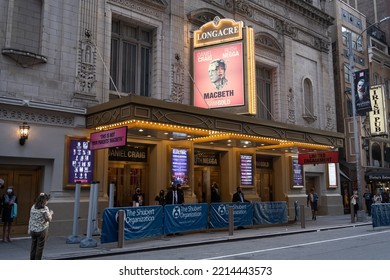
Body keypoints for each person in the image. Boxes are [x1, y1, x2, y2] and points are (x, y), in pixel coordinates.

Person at [28, 193, 54, 260]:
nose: (47, 202)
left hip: (33, 230)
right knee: (39, 248)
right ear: (44, 201)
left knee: (33, 246)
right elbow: (48, 219)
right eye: (47, 200)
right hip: (41, 230)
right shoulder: (45, 209)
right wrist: (51, 213)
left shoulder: (33, 207)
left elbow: (31, 218)